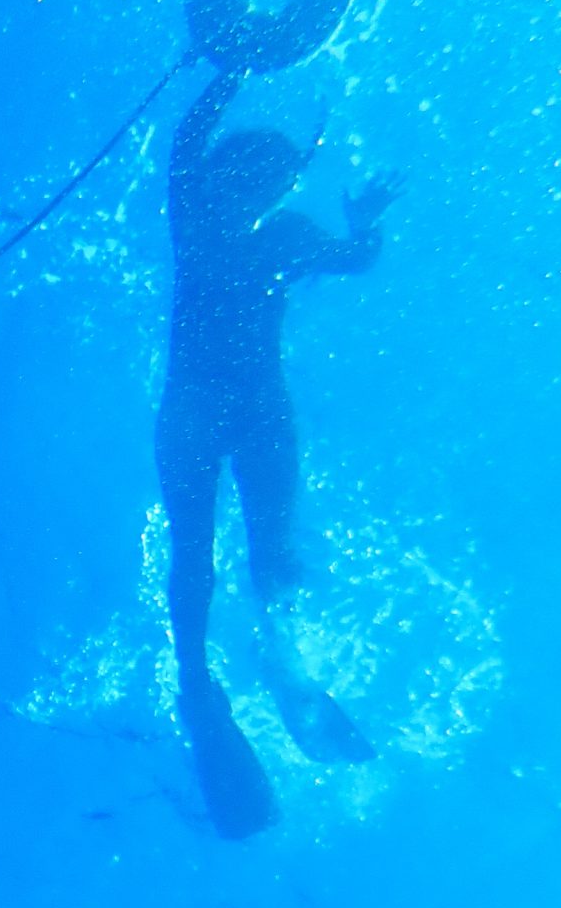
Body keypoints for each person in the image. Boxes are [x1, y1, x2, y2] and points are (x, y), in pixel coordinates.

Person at [159, 60, 400, 837]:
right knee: (195, 549)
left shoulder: (286, 235)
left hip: (257, 410)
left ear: (275, 187)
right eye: (240, 175)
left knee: (272, 552)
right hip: (200, 408)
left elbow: (354, 260)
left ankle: (284, 661)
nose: (248, 189)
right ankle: (197, 680)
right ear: (221, 177)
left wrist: (365, 224)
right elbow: (185, 144)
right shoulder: (193, 214)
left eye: (263, 179)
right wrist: (231, 66)